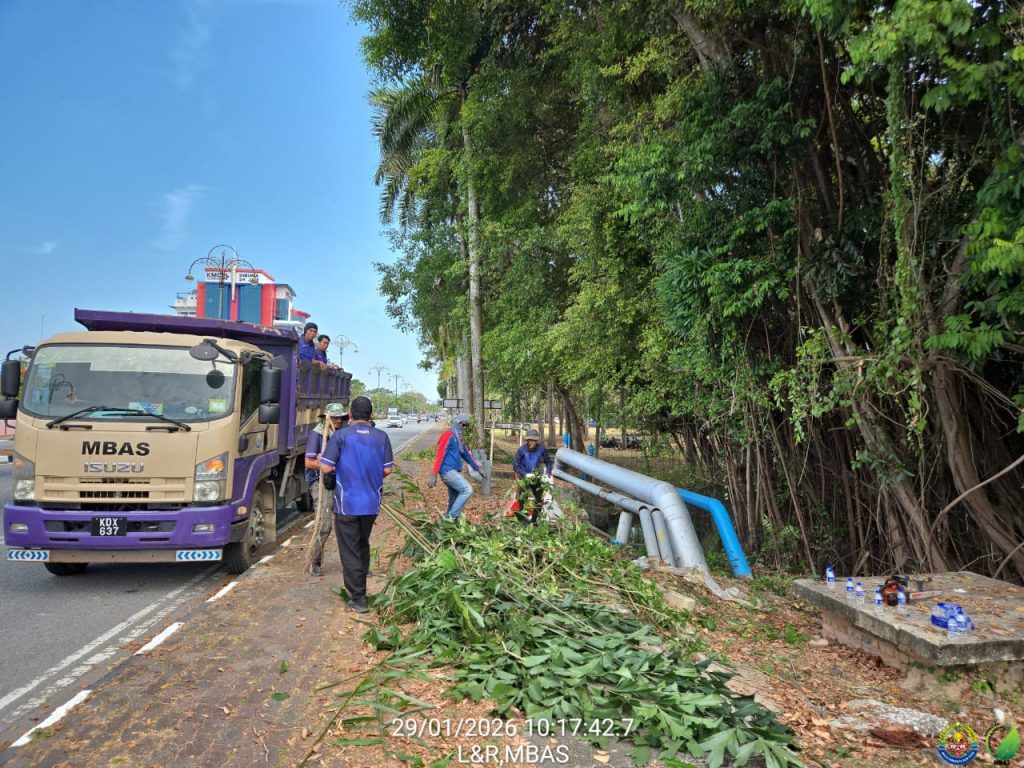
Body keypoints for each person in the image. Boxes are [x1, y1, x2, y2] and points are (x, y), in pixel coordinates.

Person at [319, 396, 393, 613]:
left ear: (350, 415)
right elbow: (387, 469)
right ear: (371, 416)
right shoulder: (382, 437)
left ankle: (358, 598)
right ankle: (361, 581)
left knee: (349, 550)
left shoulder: (341, 436)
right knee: (362, 543)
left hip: (346, 504)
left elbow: (325, 467)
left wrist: (340, 468)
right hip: (371, 504)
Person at [304, 403, 347, 576]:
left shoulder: (338, 434)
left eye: (340, 417)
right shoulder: (317, 435)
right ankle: (315, 561)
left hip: (334, 480)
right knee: (324, 523)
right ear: (327, 417)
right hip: (319, 481)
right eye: (335, 417)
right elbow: (309, 462)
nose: (338, 420)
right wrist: (326, 465)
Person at [428, 413, 483, 522]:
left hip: (454, 471)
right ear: (457, 423)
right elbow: (440, 454)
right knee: (467, 489)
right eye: (463, 425)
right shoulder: (448, 435)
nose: (465, 428)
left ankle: (446, 520)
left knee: (455, 497)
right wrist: (434, 474)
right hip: (447, 471)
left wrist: (478, 468)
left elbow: (466, 455)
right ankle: (451, 517)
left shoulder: (459, 438)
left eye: (467, 425)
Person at [512, 428, 554, 524]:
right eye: (531, 440)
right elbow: (515, 465)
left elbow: (548, 462)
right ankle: (524, 521)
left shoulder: (541, 449)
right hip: (524, 477)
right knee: (522, 498)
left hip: (536, 477)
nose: (533, 442)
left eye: (535, 440)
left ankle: (534, 521)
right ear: (527, 440)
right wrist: (525, 474)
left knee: (539, 499)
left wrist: (547, 474)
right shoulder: (521, 450)